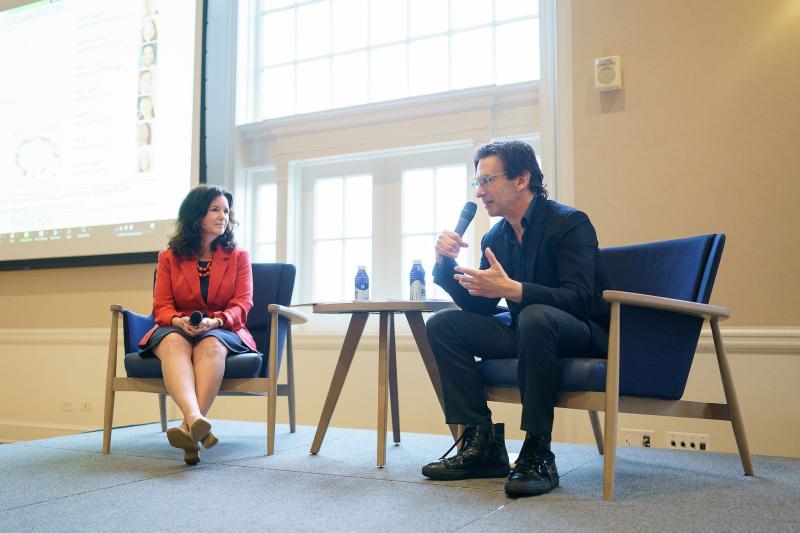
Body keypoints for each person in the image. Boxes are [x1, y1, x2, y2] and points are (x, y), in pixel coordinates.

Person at [421, 139, 609, 496]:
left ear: (522, 179)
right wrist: (445, 266)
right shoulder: (495, 235)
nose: (479, 192)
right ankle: (481, 445)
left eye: (487, 181)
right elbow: (480, 305)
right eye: (477, 183)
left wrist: (516, 290)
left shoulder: (570, 223)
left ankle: (538, 450)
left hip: (580, 330)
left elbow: (582, 298)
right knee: (444, 325)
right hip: (527, 328)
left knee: (535, 316)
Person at [137, 186, 257, 464]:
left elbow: (243, 303)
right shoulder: (168, 257)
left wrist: (216, 321)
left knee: (212, 344)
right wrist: (177, 320)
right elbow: (162, 306)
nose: (223, 216)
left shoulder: (239, 256)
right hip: (177, 326)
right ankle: (195, 421)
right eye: (215, 209)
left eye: (226, 211)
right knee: (172, 341)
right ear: (196, 215)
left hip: (223, 328)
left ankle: (187, 426)